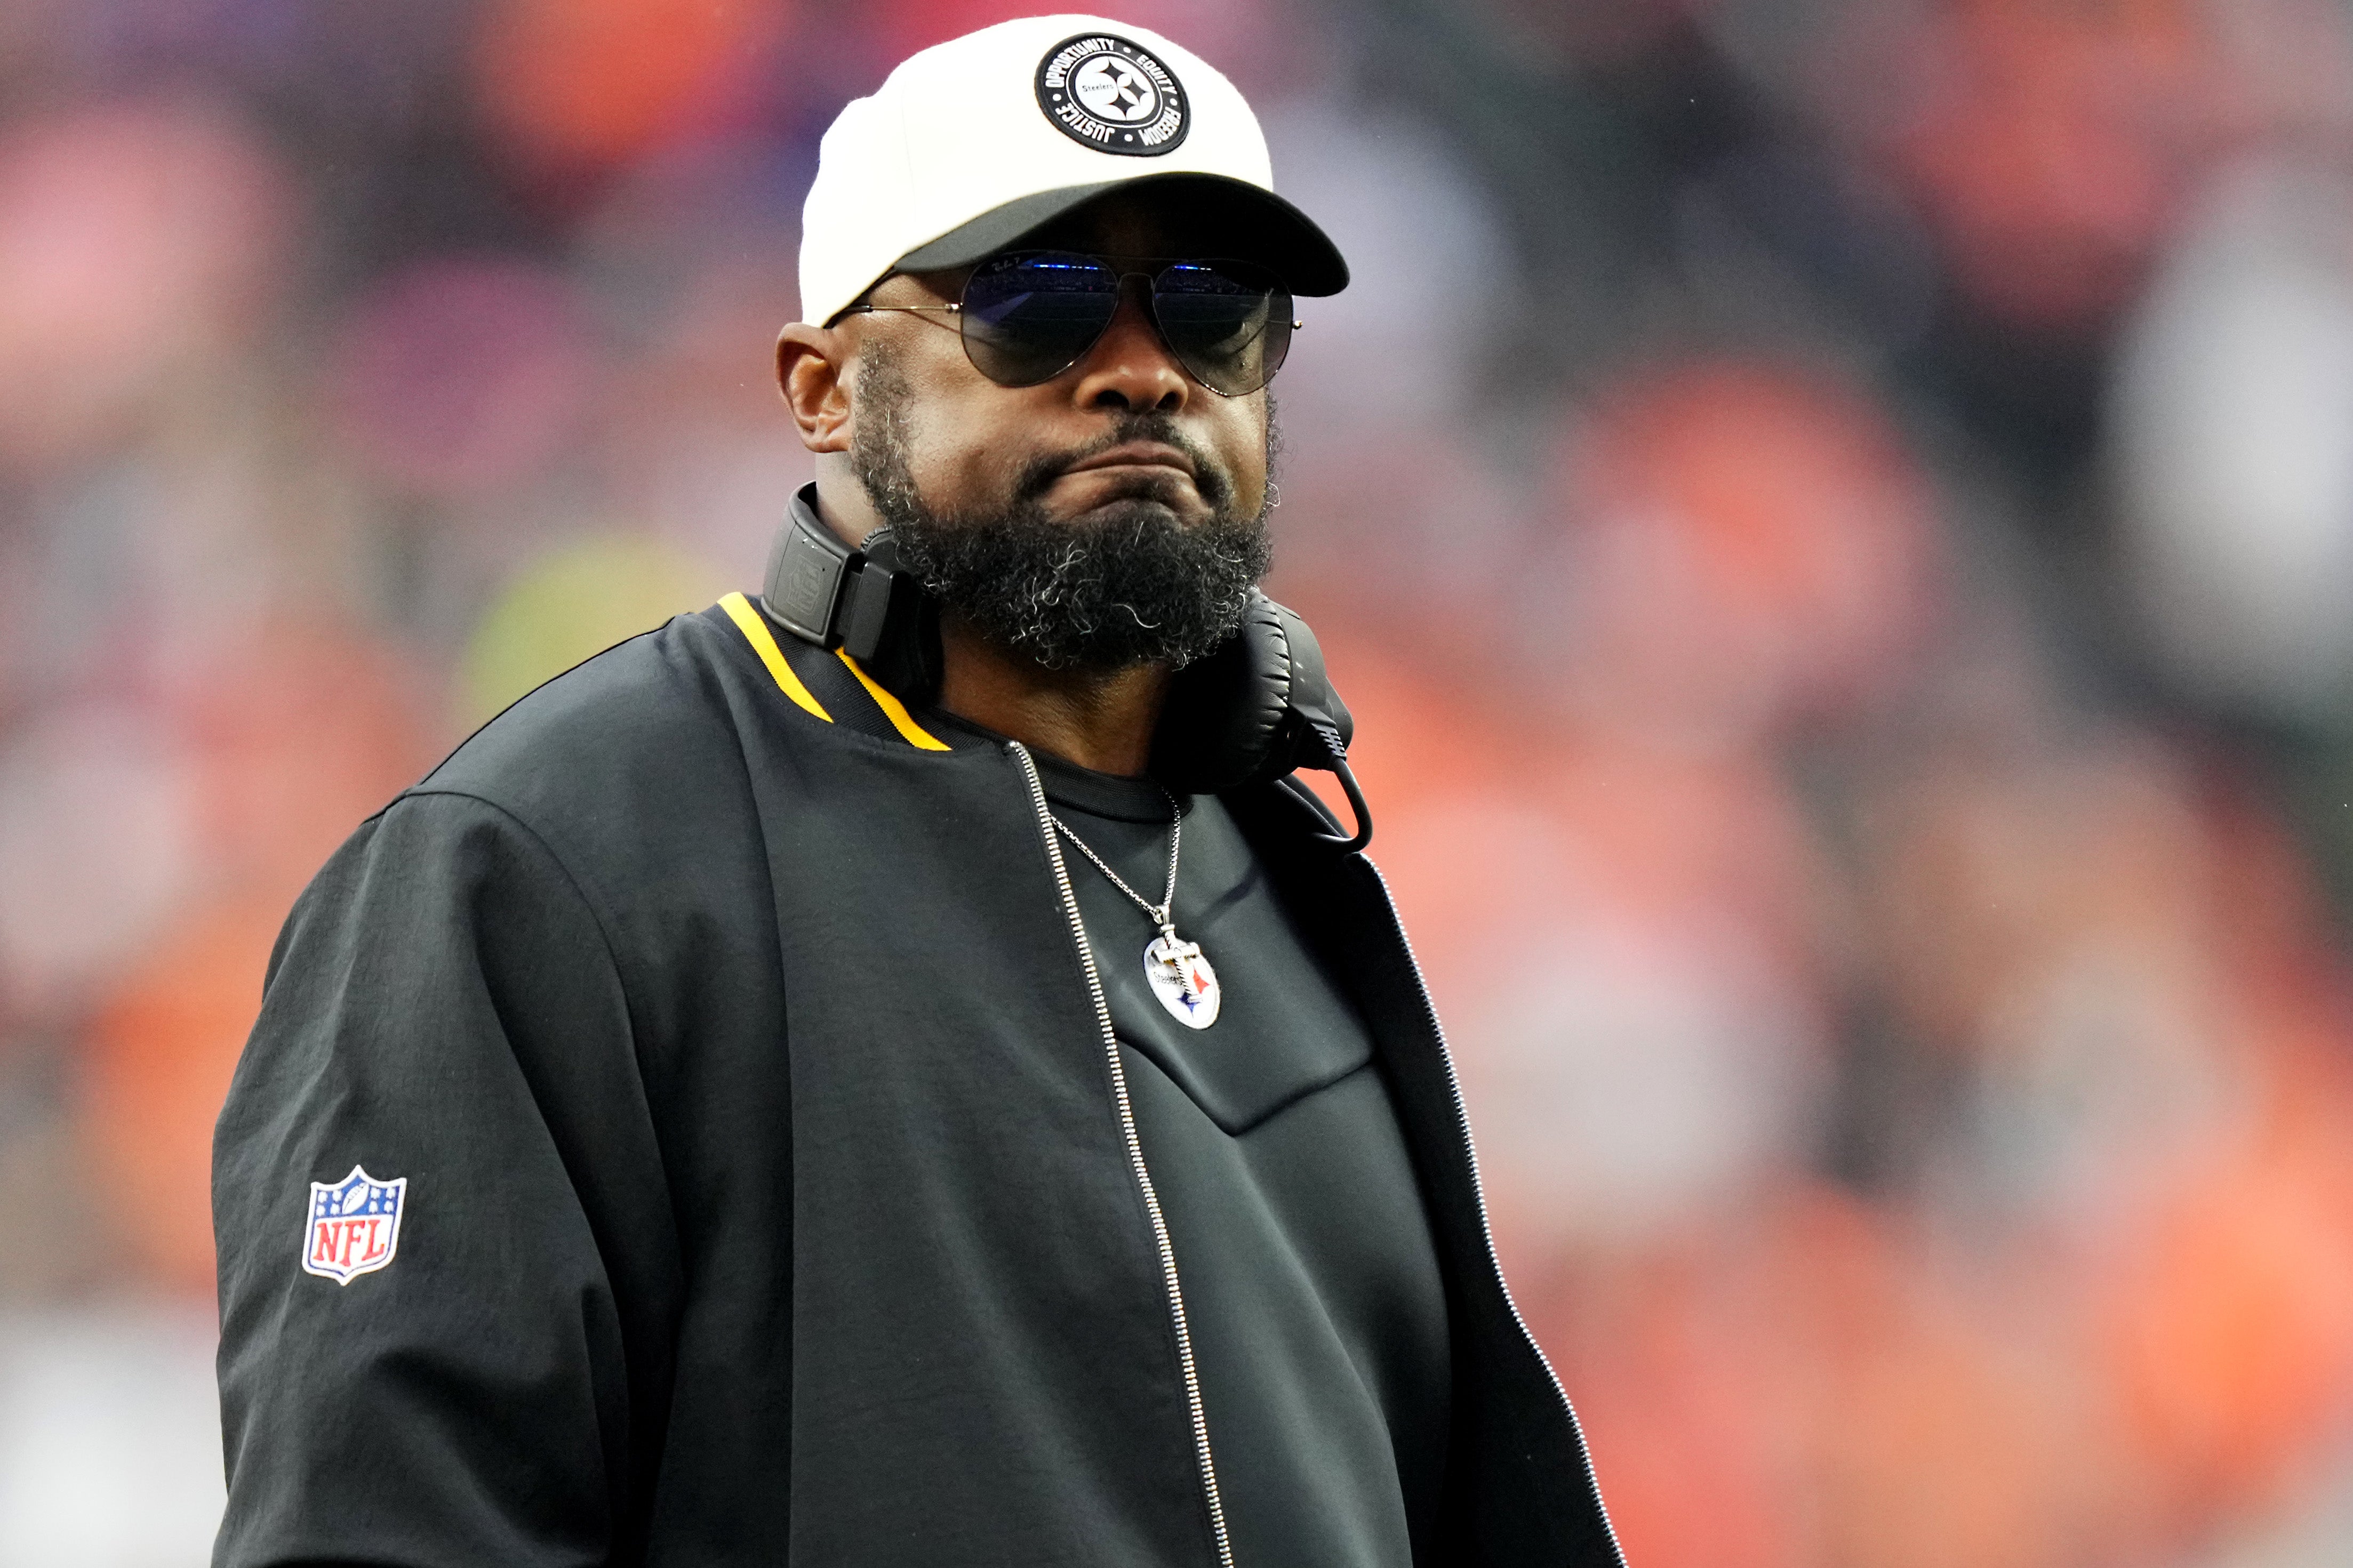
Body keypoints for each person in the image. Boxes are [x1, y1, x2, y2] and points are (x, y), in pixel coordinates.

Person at [210, 15, 1622, 1567]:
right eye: (1039, 305)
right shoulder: (545, 861)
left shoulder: (1284, 862)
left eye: (1214, 310)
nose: (1143, 373)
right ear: (823, 387)